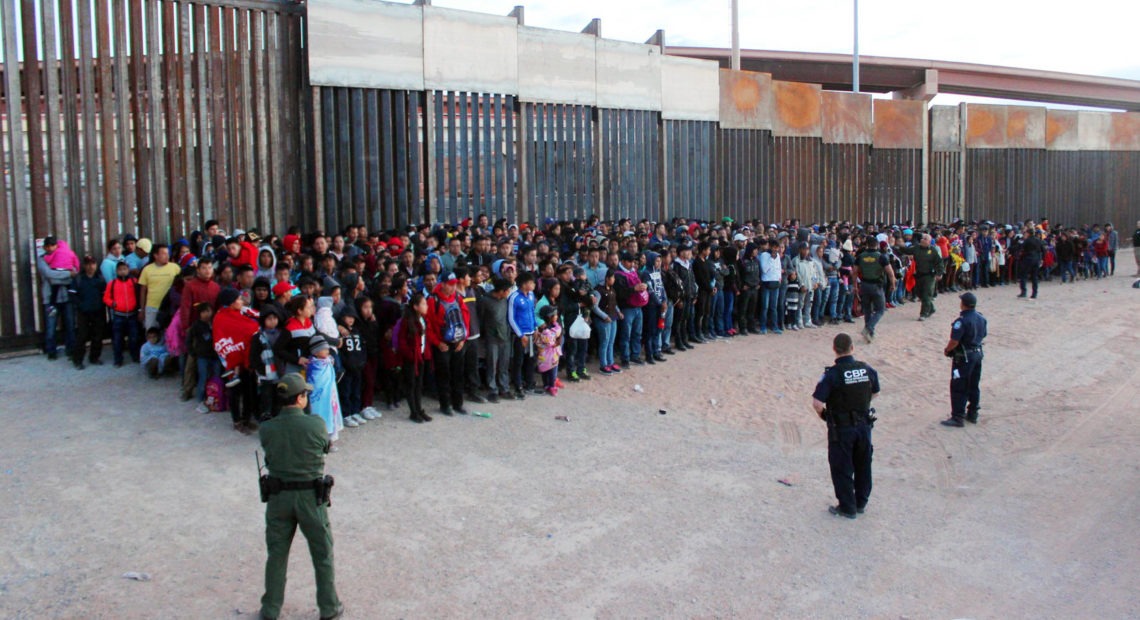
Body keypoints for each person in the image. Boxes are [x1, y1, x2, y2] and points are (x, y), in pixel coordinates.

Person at [258, 373, 344, 620]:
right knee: (322, 553)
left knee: (276, 554)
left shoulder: (267, 428)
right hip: (310, 497)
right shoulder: (315, 424)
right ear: (301, 398)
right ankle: (329, 607)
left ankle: (271, 608)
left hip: (278, 498)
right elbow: (324, 447)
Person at [811, 333, 879, 520]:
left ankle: (847, 506)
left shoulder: (832, 374)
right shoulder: (866, 369)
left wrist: (826, 416)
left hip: (841, 427)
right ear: (852, 348)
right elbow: (876, 391)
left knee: (842, 466)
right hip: (864, 425)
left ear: (835, 349)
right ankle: (861, 502)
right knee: (863, 463)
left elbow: (817, 403)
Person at [941, 292, 988, 428]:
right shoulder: (981, 318)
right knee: (974, 384)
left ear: (964, 304)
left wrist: (947, 350)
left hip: (964, 356)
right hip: (977, 353)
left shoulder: (961, 321)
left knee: (959, 386)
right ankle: (973, 412)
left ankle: (958, 416)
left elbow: (954, 341)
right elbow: (983, 334)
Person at [426, 273, 471, 415]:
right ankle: (445, 405)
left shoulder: (458, 298)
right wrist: (437, 343)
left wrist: (463, 339)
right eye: (450, 284)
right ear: (443, 284)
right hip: (442, 343)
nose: (453, 287)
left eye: (454, 284)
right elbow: (428, 325)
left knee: (458, 374)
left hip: (457, 342)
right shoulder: (433, 300)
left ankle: (458, 403)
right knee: (443, 375)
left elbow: (466, 320)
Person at [37, 236, 78, 360]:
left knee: (70, 325)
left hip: (66, 298)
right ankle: (51, 351)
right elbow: (49, 274)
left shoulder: (65, 256)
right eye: (48, 246)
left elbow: (74, 271)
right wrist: (67, 274)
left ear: (57, 246)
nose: (50, 248)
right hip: (50, 299)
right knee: (51, 327)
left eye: (52, 245)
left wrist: (60, 275)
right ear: (44, 247)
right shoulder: (42, 259)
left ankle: (70, 350)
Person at [396, 293, 432, 423]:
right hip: (412, 358)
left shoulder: (422, 319)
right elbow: (402, 341)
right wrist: (410, 354)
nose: (426, 306)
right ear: (416, 307)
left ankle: (419, 409)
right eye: (423, 304)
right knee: (411, 384)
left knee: (419, 384)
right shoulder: (407, 321)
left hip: (420, 356)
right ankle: (413, 411)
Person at [854, 238, 895, 343]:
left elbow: (854, 272)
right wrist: (893, 284)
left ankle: (869, 334)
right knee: (880, 309)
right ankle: (869, 328)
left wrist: (855, 285)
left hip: (864, 284)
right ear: (877, 245)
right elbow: (890, 272)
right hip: (876, 285)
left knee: (867, 310)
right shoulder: (881, 257)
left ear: (867, 245)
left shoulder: (860, 256)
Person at [70, 256, 106, 369]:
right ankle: (78, 360)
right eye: (88, 264)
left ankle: (94, 357)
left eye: (93, 264)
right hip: (83, 313)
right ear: (84, 266)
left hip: (98, 311)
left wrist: (101, 305)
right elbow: (72, 294)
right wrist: (80, 305)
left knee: (98, 335)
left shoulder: (100, 279)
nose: (91, 267)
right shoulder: (78, 279)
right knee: (82, 336)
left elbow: (105, 294)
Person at [898, 233, 943, 321]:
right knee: (920, 294)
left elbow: (939, 262)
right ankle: (931, 308)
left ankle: (924, 314)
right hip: (919, 275)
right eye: (922, 238)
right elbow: (907, 251)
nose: (922, 240)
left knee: (926, 294)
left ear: (929, 242)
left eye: (925, 239)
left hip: (929, 276)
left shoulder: (933, 251)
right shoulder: (916, 248)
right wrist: (900, 246)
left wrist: (939, 273)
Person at [104, 260, 140, 367]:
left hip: (132, 314)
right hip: (119, 315)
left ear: (128, 270)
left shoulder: (134, 281)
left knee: (134, 338)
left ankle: (135, 356)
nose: (122, 272)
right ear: (116, 271)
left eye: (124, 269)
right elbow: (106, 298)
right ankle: (118, 360)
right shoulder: (112, 283)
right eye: (120, 270)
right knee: (117, 339)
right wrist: (112, 303)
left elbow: (138, 294)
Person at [137, 244, 181, 329]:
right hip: (152, 307)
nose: (167, 256)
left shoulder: (175, 268)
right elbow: (143, 291)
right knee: (151, 332)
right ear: (155, 255)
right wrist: (142, 309)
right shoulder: (147, 269)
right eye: (164, 254)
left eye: (168, 253)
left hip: (169, 308)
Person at [535, 305, 563, 396]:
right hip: (546, 353)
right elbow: (549, 340)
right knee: (546, 369)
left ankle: (551, 385)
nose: (557, 317)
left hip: (551, 353)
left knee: (552, 369)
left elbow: (557, 335)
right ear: (549, 316)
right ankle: (548, 385)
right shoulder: (544, 329)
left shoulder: (551, 327)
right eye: (555, 315)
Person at [1017, 228, 1044, 298]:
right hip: (1036, 259)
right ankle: (1034, 293)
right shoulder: (1038, 240)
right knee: (1034, 277)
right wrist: (1041, 259)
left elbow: (1021, 248)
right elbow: (1043, 250)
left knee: (1023, 275)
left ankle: (1024, 292)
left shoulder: (1027, 241)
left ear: (1028, 233)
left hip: (1028, 259)